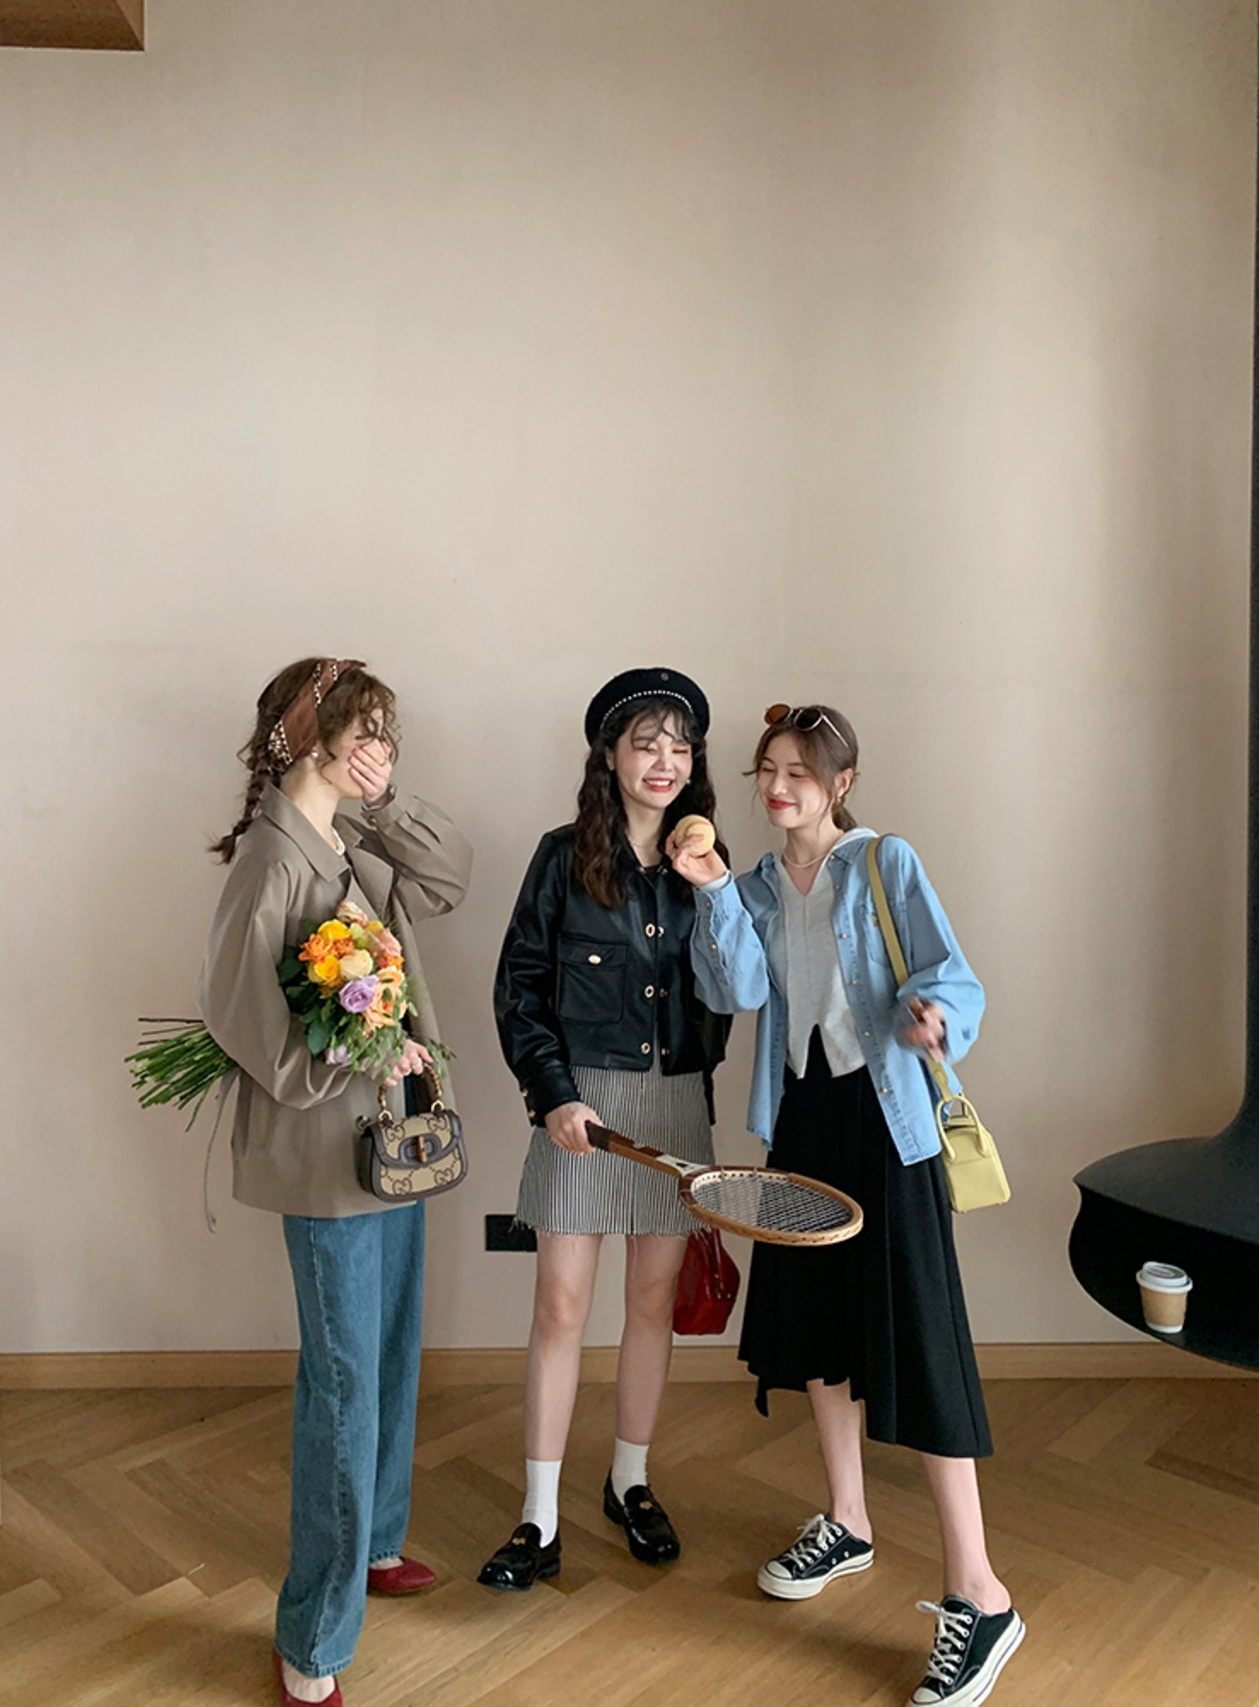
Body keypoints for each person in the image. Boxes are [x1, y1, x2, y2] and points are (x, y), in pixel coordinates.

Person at [684, 702, 1024, 1707]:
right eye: (766, 769)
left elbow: (953, 975)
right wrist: (711, 891)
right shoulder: (752, 882)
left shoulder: (884, 863)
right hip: (801, 1118)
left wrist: (935, 1016)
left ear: (840, 783)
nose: (777, 786)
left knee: (919, 1341)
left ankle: (981, 1594)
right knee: (818, 1332)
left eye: (799, 771)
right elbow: (737, 992)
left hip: (887, 1124)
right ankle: (847, 1521)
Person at [198, 658, 472, 1707]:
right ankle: (312, 1640)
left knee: (390, 1353)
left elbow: (449, 877)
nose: (379, 750)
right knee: (344, 1388)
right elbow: (241, 1016)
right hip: (325, 1165)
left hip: (390, 1146)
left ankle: (374, 1544)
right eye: (364, 732)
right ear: (305, 735)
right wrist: (367, 1050)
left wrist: (386, 800)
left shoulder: (353, 835)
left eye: (388, 736)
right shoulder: (271, 858)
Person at [479, 667, 763, 1591]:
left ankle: (630, 1481)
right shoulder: (562, 857)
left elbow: (735, 993)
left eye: (681, 746)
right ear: (609, 754)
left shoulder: (707, 869)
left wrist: (714, 890)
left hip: (675, 1101)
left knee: (650, 1302)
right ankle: (538, 1515)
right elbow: (520, 986)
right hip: (582, 1108)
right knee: (560, 1306)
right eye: (647, 743)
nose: (665, 761)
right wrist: (553, 1093)